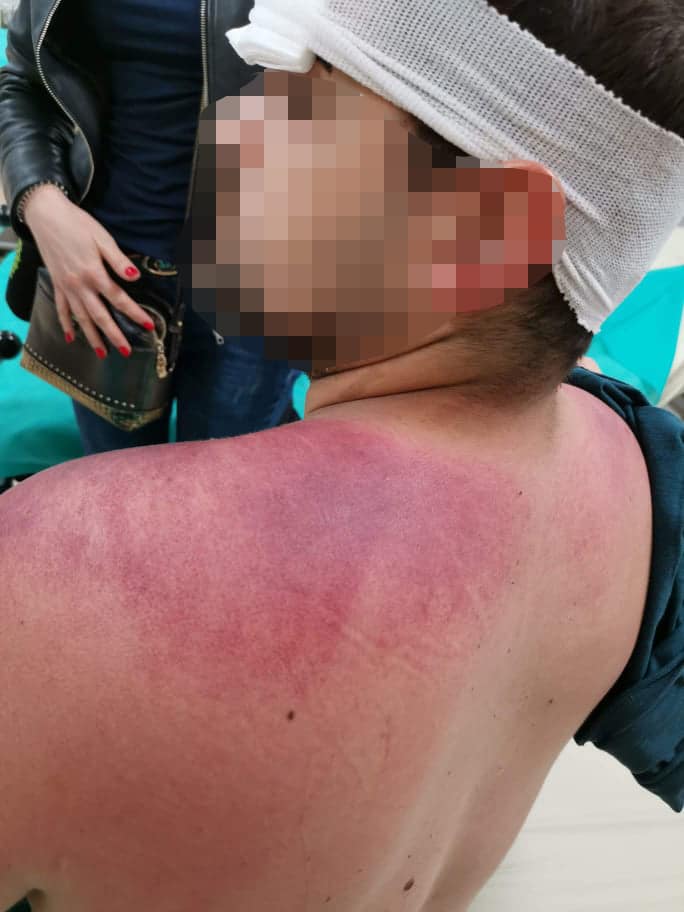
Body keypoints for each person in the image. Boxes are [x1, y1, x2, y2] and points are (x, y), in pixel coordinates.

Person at [0, 1, 682, 911]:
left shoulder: (61, 576)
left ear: (482, 232)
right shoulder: (635, 485)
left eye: (305, 92)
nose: (237, 125)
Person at [0, 0, 301, 457]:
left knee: (228, 487)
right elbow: (24, 81)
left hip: (260, 286)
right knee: (115, 480)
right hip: (104, 275)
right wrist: (41, 202)